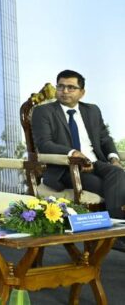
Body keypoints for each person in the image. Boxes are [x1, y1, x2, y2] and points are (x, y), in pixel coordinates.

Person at [31, 69, 124, 248]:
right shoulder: (43, 111)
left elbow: (105, 138)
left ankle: (115, 233)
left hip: (96, 162)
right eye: (61, 86)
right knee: (108, 186)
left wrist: (113, 158)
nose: (65, 91)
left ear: (82, 92)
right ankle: (116, 236)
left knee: (118, 173)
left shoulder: (92, 110)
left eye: (71, 87)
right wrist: (73, 153)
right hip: (65, 169)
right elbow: (44, 143)